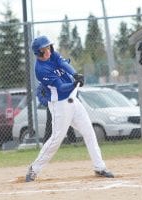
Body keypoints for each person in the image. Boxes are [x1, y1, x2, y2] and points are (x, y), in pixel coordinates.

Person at [25, 35, 114, 182]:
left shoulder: (53, 55)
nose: (48, 51)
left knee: (89, 131)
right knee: (56, 139)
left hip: (72, 101)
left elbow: (63, 64)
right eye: (44, 49)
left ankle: (99, 167)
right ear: (38, 53)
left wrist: (75, 75)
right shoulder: (41, 70)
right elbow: (61, 87)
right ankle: (34, 168)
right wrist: (74, 84)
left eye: (48, 47)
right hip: (59, 104)